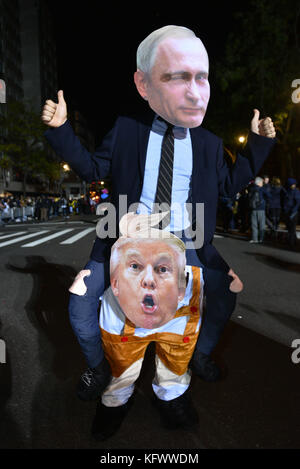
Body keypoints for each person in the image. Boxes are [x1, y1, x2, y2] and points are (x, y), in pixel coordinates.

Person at [41, 25, 276, 403]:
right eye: (177, 77)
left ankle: (197, 355)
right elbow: (91, 169)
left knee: (224, 294)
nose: (192, 90)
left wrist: (260, 143)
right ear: (145, 85)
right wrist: (61, 129)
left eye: (201, 78)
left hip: (189, 238)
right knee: (80, 304)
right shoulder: (127, 130)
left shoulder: (209, 143)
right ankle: (100, 366)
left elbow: (229, 185)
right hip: (126, 237)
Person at [90, 212, 202, 440]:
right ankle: (114, 402)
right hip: (129, 257)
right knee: (121, 357)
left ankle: (171, 397)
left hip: (185, 257)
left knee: (177, 349)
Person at [248, 176, 270, 243]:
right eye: (262, 182)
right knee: (261, 224)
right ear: (259, 183)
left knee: (254, 224)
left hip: (253, 208)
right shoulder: (262, 189)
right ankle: (261, 239)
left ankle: (254, 239)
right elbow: (269, 196)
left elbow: (249, 197)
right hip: (261, 209)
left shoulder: (252, 189)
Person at [282, 178, 300, 248]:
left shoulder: (296, 191)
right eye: (293, 184)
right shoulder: (286, 191)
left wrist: (293, 210)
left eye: (294, 184)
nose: (294, 185)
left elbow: (298, 203)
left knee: (292, 228)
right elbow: (284, 201)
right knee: (289, 228)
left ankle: (291, 243)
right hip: (287, 212)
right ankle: (294, 241)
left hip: (293, 213)